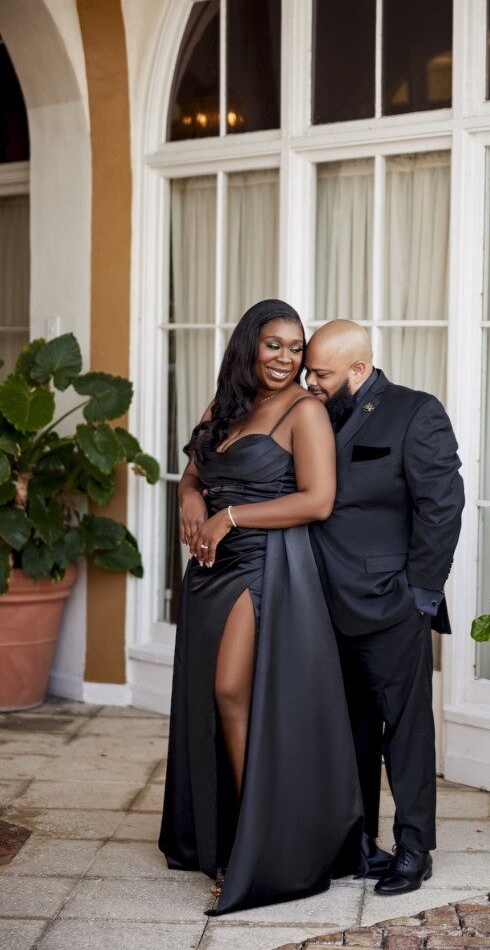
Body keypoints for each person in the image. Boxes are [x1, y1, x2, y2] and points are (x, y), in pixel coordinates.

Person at [158, 300, 363, 915]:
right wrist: (192, 498)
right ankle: (225, 837)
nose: (285, 358)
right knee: (210, 703)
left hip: (267, 566)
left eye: (295, 348)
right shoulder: (223, 407)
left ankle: (263, 848)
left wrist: (230, 514)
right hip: (210, 572)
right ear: (249, 345)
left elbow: (318, 500)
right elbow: (197, 473)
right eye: (273, 345)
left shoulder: (306, 411)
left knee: (231, 693)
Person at [305, 320, 465, 896]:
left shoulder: (416, 412)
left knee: (406, 732)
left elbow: (442, 506)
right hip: (319, 605)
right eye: (309, 372)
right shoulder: (310, 410)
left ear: (358, 369)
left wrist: (419, 596)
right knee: (344, 731)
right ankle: (355, 843)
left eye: (321, 373)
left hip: (392, 605)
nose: (311, 381)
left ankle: (414, 848)